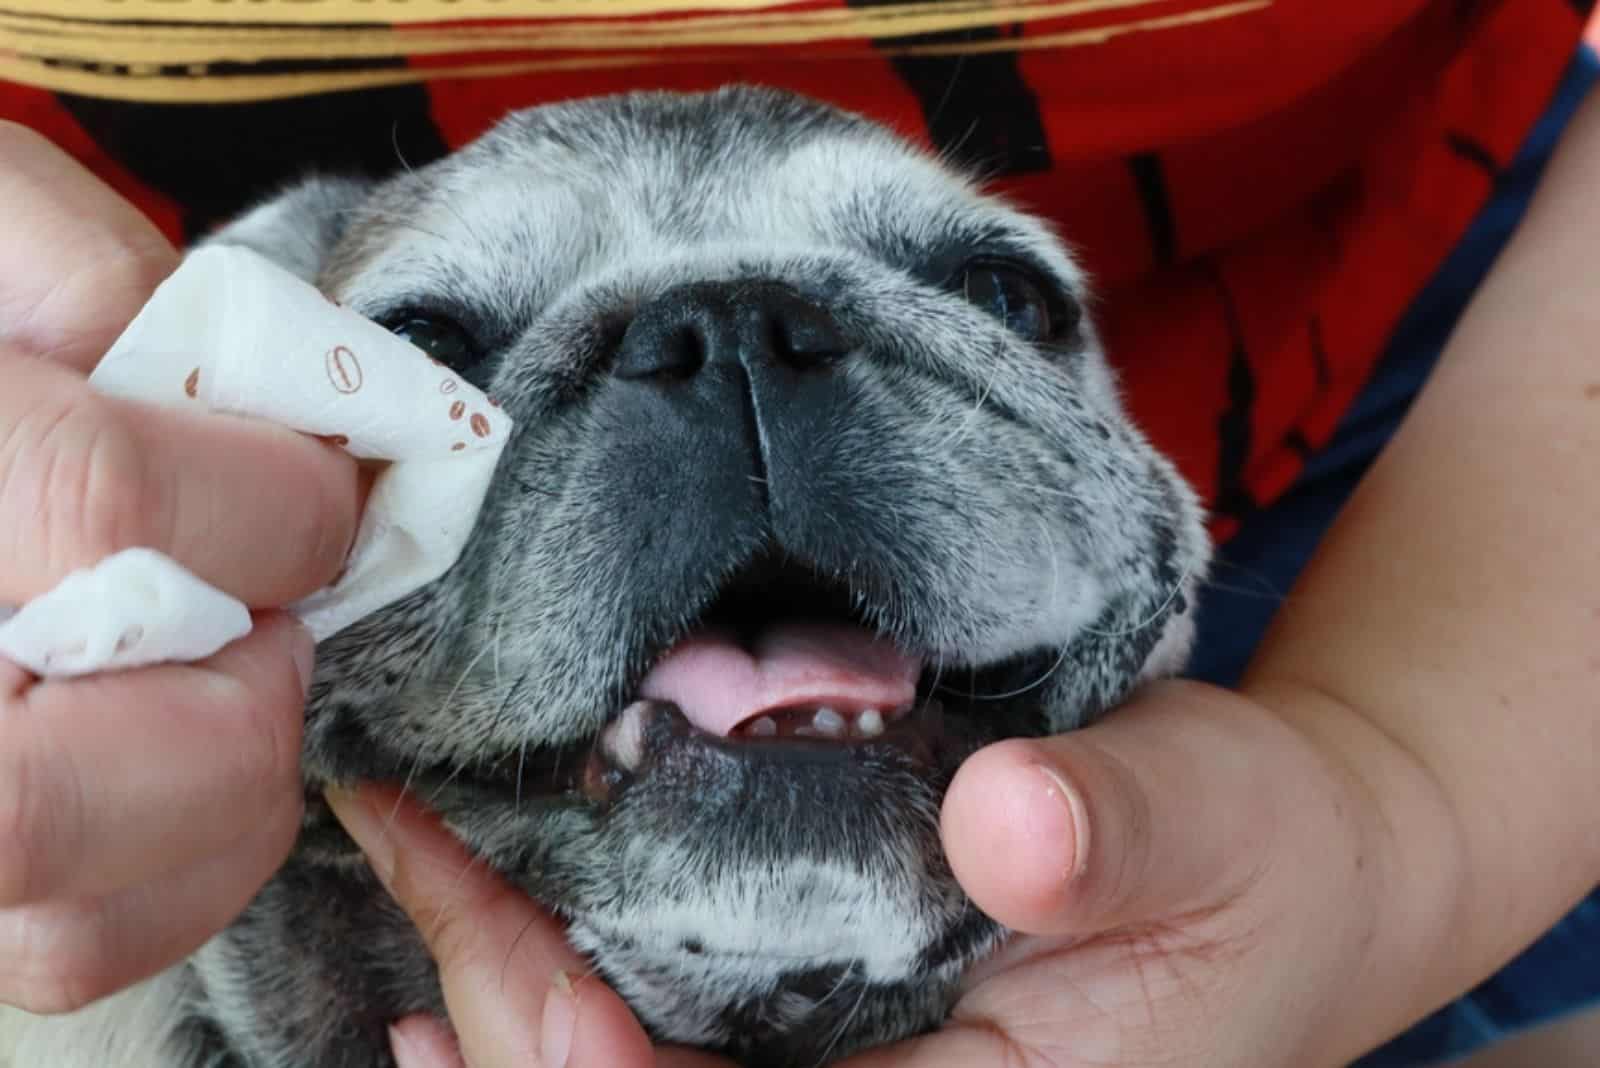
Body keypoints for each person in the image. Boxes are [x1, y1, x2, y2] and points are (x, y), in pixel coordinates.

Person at [1, 1, 1597, 1065]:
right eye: (441, 360)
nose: (728, 364)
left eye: (989, 295)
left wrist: (1404, 809)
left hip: (1462, 474)